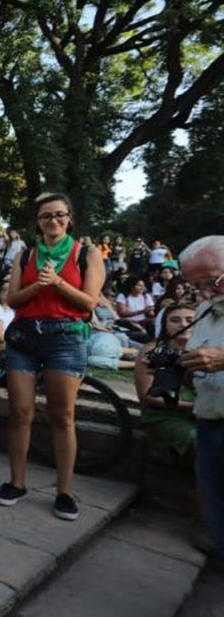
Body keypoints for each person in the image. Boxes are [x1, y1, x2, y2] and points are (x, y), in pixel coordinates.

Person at [0, 193, 104, 521]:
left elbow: (88, 303)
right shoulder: (26, 255)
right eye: (45, 216)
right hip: (26, 336)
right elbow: (12, 299)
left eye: (59, 215)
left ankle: (65, 491)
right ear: (38, 222)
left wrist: (56, 282)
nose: (52, 221)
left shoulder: (86, 253)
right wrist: (38, 288)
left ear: (69, 218)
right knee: (20, 412)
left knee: (63, 416)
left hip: (66, 338)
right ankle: (17, 482)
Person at [179, 236, 224, 554]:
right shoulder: (207, 308)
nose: (207, 293)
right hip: (210, 422)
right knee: (216, 503)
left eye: (213, 282)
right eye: (199, 286)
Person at [134, 303, 197, 457]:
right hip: (163, 415)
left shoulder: (203, 351)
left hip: (200, 411)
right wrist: (192, 407)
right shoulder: (153, 350)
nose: (183, 324)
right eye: (175, 320)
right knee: (199, 441)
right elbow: (148, 395)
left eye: (190, 320)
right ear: (164, 325)